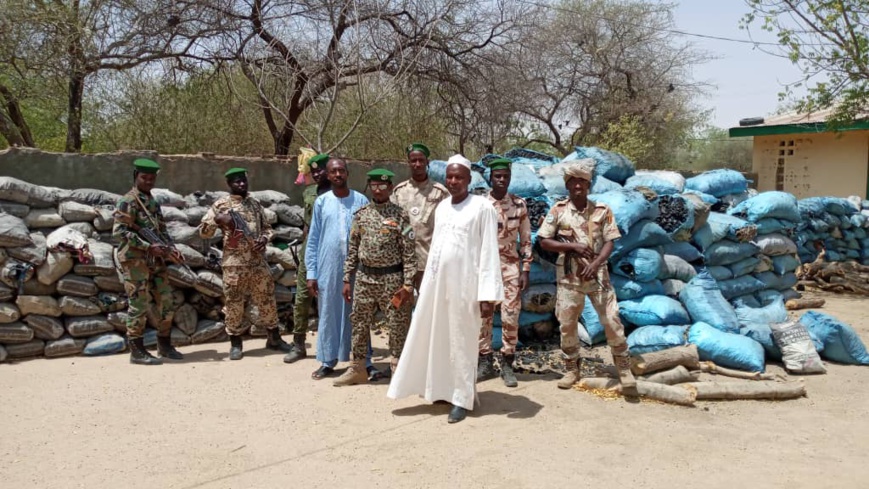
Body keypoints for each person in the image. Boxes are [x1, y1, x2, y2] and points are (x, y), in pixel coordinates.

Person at [387, 155, 503, 424]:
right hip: (438, 286)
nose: (453, 181)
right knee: (438, 338)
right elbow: (436, 251)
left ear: (469, 179)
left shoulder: (482, 208)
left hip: (467, 288)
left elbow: (489, 253)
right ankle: (441, 390)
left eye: (459, 177)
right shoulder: (442, 208)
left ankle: (462, 399)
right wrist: (427, 286)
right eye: (449, 176)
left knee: (462, 342)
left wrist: (487, 295)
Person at [537, 160, 638, 397]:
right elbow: (544, 241)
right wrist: (573, 246)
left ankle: (624, 369)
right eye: (573, 181)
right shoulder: (558, 211)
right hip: (569, 278)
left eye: (582, 181)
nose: (577, 185)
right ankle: (572, 369)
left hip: (598, 276)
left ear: (588, 184)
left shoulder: (602, 210)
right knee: (567, 324)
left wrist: (595, 263)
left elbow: (611, 240)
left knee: (612, 320)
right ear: (567, 185)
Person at [198, 168, 291, 360]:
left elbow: (267, 229)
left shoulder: (255, 204)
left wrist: (264, 240)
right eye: (236, 182)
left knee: (267, 299)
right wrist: (218, 220)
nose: (241, 184)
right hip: (234, 264)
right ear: (229, 184)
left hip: (257, 261)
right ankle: (235, 343)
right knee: (234, 303)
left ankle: (274, 338)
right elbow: (203, 233)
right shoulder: (221, 205)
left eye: (243, 181)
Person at [335, 169, 416, 386]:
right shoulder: (361, 215)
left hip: (392, 278)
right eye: (374, 185)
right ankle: (358, 368)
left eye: (382, 186)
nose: (378, 190)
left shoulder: (401, 215)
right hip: (364, 278)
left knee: (398, 325)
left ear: (390, 188)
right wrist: (346, 279)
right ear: (370, 187)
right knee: (359, 323)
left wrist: (408, 284)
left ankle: (399, 371)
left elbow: (409, 252)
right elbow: (353, 249)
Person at [305, 158, 371, 380]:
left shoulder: (360, 200)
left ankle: (364, 360)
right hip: (329, 266)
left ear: (347, 173)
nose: (337, 175)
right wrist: (311, 273)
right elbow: (313, 239)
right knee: (329, 312)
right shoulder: (322, 202)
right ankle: (328, 360)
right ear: (328, 175)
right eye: (333, 172)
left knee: (360, 313)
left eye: (341, 170)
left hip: (357, 267)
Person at [112, 158, 182, 365]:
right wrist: (147, 246)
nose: (148, 181)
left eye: (152, 178)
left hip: (156, 258)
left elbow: (162, 230)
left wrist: (171, 249)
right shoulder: (127, 201)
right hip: (135, 260)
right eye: (145, 177)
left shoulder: (152, 201)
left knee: (166, 300)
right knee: (139, 303)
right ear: (136, 177)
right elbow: (120, 232)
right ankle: (137, 350)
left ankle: (164, 344)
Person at [477, 157, 532, 388]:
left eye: (505, 176)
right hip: (486, 269)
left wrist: (526, 268)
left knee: (511, 317)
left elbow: (526, 239)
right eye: (497, 176)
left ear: (510, 178)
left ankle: (508, 363)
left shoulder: (519, 205)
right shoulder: (480, 204)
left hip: (510, 269)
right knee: (483, 317)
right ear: (490, 178)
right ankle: (485, 362)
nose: (501, 180)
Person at [285, 153, 332, 364]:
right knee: (303, 298)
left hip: (332, 252)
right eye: (313, 171)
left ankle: (335, 344)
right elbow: (306, 223)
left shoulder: (339, 193)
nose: (317, 173)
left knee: (334, 299)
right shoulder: (309, 192)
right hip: (310, 252)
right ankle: (298, 344)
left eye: (321, 169)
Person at [391, 143, 449, 286]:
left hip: (430, 262)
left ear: (427, 162)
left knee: (428, 306)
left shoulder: (440, 192)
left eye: (421, 160)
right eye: (413, 161)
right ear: (408, 163)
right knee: (403, 304)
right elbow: (393, 223)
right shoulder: (399, 191)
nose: (417, 164)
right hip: (402, 262)